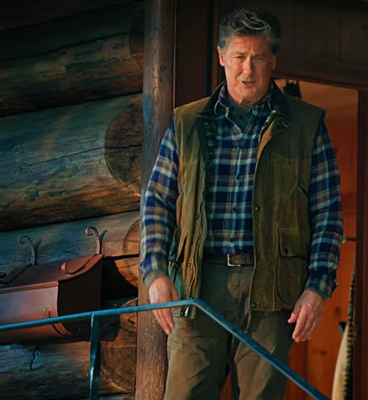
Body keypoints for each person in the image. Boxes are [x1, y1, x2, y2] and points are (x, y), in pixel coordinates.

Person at [139, 7, 344, 400]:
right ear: (221, 56)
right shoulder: (186, 123)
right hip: (198, 287)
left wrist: (317, 289)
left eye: (258, 58)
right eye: (238, 57)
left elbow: (328, 216)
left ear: (273, 62)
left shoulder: (306, 125)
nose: (247, 69)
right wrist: (156, 273)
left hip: (271, 293)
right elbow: (158, 203)